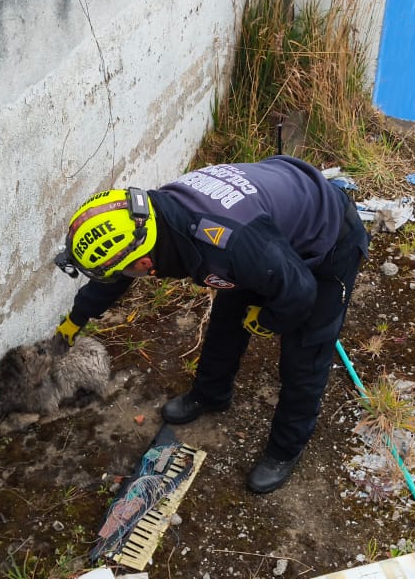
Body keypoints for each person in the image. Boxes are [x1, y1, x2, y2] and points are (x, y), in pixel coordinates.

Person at [52, 156, 369, 493]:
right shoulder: (149, 220)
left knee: (305, 353)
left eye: (131, 270)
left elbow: (301, 293)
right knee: (227, 320)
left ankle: (285, 449)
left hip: (328, 236)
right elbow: (115, 274)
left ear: (145, 262)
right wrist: (76, 319)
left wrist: (265, 320)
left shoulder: (224, 244)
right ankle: (210, 394)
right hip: (267, 230)